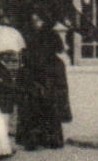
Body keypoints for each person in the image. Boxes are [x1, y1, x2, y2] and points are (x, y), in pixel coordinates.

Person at [18, 15, 72, 151]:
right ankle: (46, 138)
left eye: (38, 20)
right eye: (34, 20)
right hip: (43, 71)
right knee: (44, 107)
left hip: (44, 71)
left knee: (40, 107)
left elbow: (58, 48)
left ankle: (41, 138)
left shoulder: (42, 35)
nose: (36, 23)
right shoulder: (33, 35)